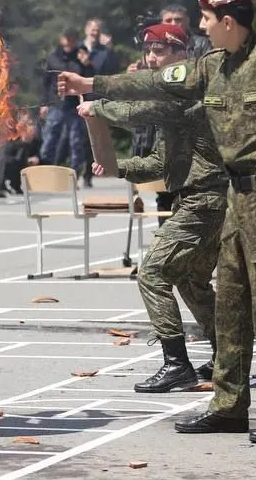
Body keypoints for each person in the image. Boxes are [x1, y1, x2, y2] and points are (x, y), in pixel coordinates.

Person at [57, 0, 256, 444]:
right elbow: (154, 82)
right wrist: (91, 83)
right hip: (230, 197)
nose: (202, 28)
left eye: (207, 20)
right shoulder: (210, 67)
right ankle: (229, 405)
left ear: (228, 21)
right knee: (228, 303)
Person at [78, 23, 224, 392]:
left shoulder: (186, 91)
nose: (151, 57)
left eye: (160, 50)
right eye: (148, 50)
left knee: (152, 274)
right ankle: (227, 355)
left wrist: (98, 105)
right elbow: (160, 161)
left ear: (181, 54)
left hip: (205, 200)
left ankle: (176, 364)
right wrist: (118, 168)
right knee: (192, 281)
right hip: (200, 200)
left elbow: (138, 112)